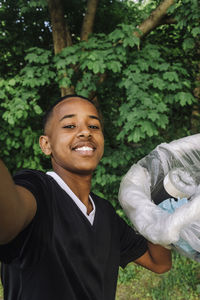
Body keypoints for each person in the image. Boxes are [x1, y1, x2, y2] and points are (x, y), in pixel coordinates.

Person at [0, 95, 171, 300]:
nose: (85, 132)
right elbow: (8, 220)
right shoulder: (38, 189)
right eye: (70, 125)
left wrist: (157, 199)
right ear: (46, 144)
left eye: (94, 126)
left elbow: (159, 263)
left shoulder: (105, 213)